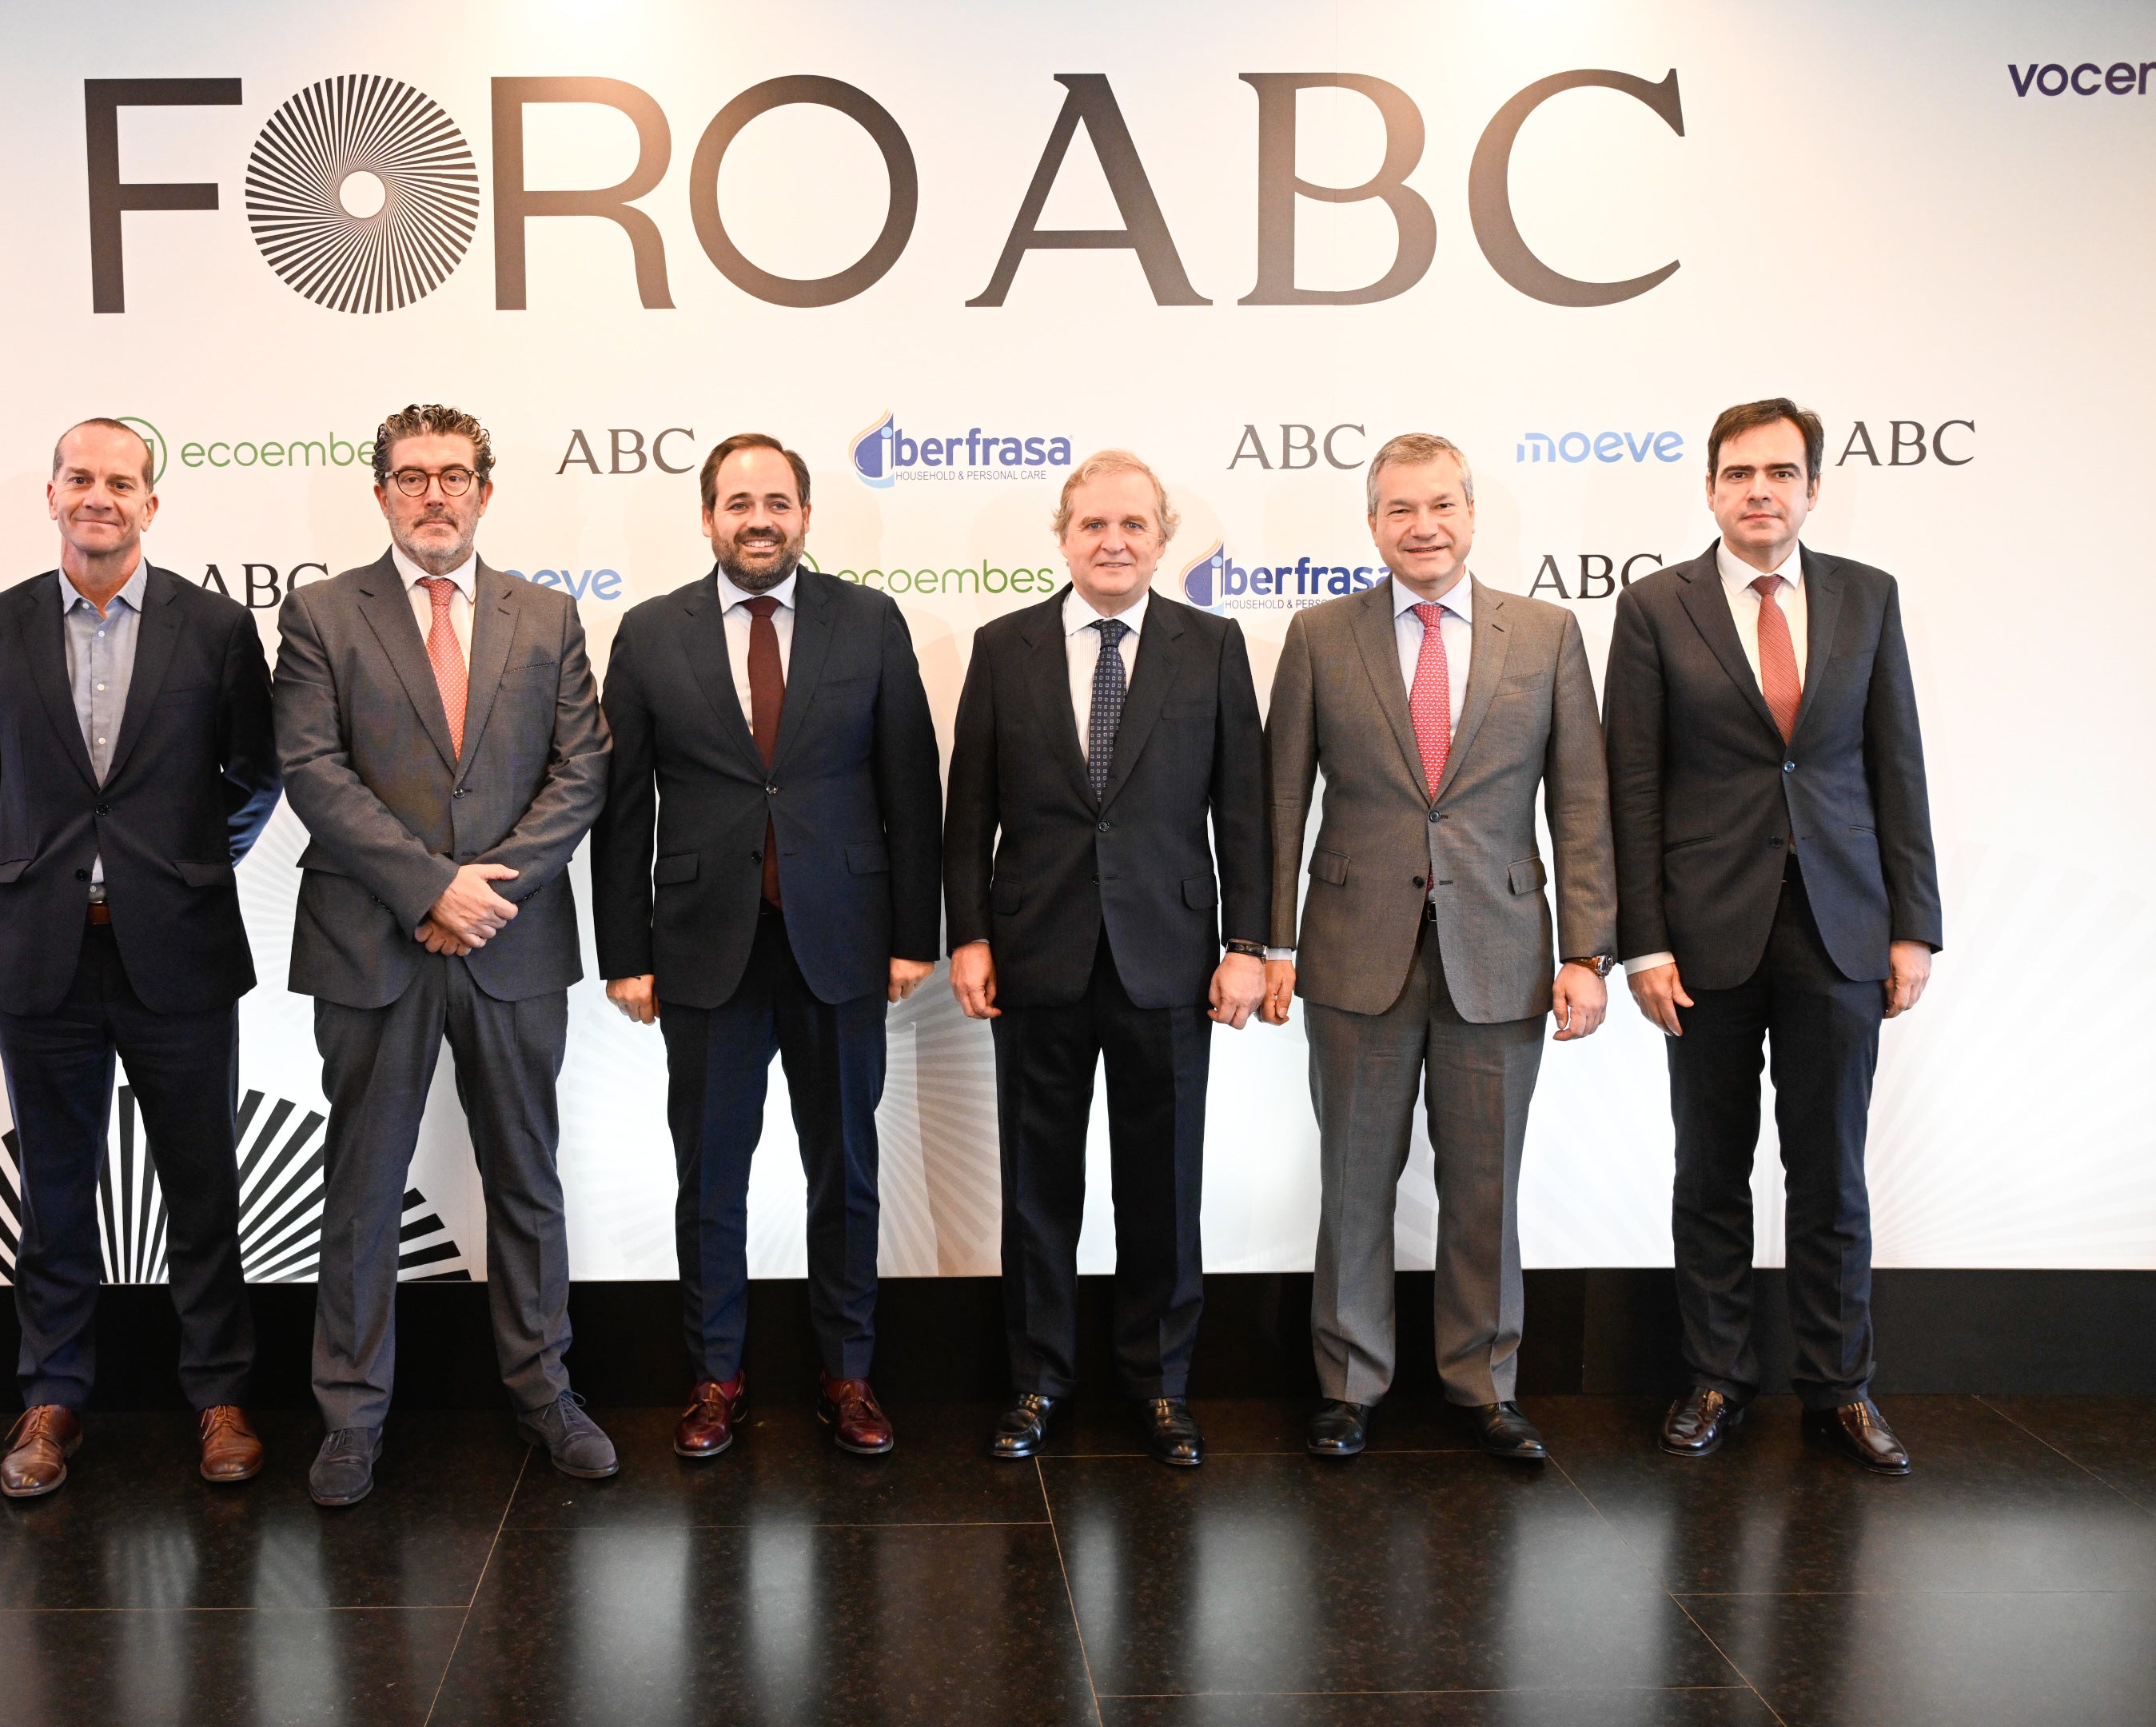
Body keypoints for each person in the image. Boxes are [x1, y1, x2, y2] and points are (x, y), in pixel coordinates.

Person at [273, 403, 614, 1504]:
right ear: (381, 494)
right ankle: (350, 1419)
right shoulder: (323, 614)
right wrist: (429, 888)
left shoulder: (549, 617)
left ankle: (544, 1393)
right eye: (413, 476)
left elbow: (581, 775)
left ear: (485, 491)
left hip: (511, 946)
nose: (435, 494)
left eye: (455, 475)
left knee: (526, 1180)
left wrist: (481, 897)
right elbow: (314, 772)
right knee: (362, 1189)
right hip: (371, 944)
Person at [0, 417, 281, 1498]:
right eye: (80, 478)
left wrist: (172, 866)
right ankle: (52, 1400)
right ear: (50, 496)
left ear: (152, 505)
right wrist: (53, 863)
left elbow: (255, 776)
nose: (101, 496)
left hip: (175, 952)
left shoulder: (218, 629)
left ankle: (220, 1400)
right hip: (43, 953)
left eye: (122, 482)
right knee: (52, 1189)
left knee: (202, 1183)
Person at [1263, 432, 1616, 1462]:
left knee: (1485, 1185)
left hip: (1501, 953)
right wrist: (1268, 941)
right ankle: (1348, 1383)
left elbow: (1582, 803)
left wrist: (1587, 953)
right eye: (1400, 510)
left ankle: (1484, 1384)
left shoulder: (1546, 635)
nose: (1423, 527)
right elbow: (1284, 797)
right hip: (1351, 951)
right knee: (1355, 1181)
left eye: (1441, 506)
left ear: (1472, 514)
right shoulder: (1321, 634)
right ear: (1372, 524)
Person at [1604, 398, 1940, 1476]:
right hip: (1703, 935)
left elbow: (1898, 766)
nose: (1761, 490)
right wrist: (1641, 944)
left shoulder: (1867, 597)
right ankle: (1714, 1378)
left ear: (1811, 490)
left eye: (1782, 473)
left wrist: (1914, 927)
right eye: (1740, 472)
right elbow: (1634, 784)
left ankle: (1841, 1387)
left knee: (1830, 1170)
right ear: (1709, 489)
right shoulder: (1656, 606)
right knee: (1711, 1167)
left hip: (1842, 926)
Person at [593, 433, 943, 1459]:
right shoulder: (651, 632)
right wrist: (626, 951)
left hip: (843, 942)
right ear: (707, 517)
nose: (760, 518)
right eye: (739, 501)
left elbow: (910, 785)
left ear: (804, 516)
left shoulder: (868, 621)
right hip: (703, 951)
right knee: (709, 1174)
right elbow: (624, 812)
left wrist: (913, 932)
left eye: (778, 501)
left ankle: (848, 1374)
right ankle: (714, 1378)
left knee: (847, 1168)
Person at [945, 449, 1267, 1469]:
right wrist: (969, 932)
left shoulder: (1211, 647)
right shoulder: (1003, 647)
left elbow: (1246, 814)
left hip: (1169, 960)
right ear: (1064, 537)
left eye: (1134, 526)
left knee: (1162, 1186)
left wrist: (1248, 945)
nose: (1114, 542)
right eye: (1094, 526)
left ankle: (1161, 1386)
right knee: (1039, 1187)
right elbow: (970, 814)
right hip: (1035, 956)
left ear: (1164, 540)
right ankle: (1037, 1383)